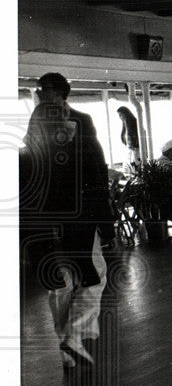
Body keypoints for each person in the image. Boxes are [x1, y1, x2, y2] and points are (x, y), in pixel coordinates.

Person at [24, 73, 115, 369]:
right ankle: (72, 338)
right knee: (79, 279)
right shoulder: (45, 124)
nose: (39, 93)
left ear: (61, 92)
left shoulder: (75, 122)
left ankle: (70, 341)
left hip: (60, 217)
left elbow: (95, 168)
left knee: (66, 282)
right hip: (70, 216)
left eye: (44, 89)